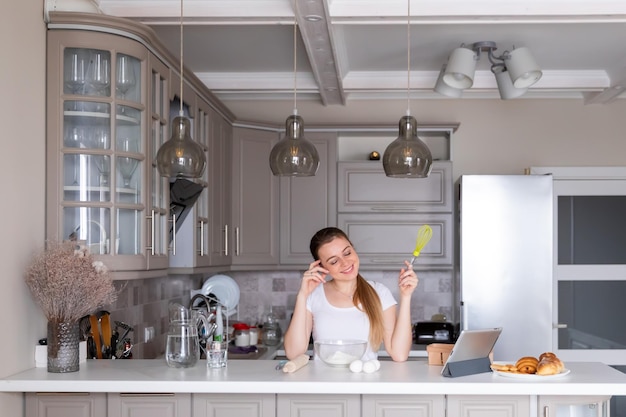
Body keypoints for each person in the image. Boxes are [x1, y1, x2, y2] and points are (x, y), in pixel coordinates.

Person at [283, 227, 418, 362]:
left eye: (347, 253)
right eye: (334, 261)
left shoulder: (380, 293)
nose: (345, 263)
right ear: (322, 267)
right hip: (323, 382)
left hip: (366, 382)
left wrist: (406, 297)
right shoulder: (313, 296)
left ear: (353, 248)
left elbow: (399, 354)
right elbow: (293, 353)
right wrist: (302, 295)